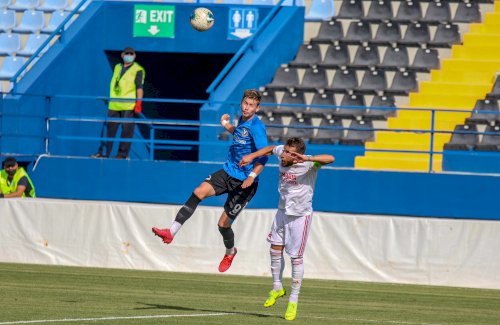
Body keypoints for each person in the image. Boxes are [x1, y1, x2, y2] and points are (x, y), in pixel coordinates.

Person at [152, 89, 268, 273]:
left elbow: (265, 154)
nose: (247, 107)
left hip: (245, 182)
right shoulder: (243, 119)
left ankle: (230, 252)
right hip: (229, 171)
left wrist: (252, 175)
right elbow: (239, 135)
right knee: (199, 191)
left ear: (257, 108)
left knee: (223, 224)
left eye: (251, 105)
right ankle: (172, 231)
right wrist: (227, 125)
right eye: (245, 103)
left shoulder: (257, 127)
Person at [239, 137, 334, 321]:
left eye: (288, 153)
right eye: (284, 151)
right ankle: (277, 288)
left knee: (296, 258)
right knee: (274, 249)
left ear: (296, 154)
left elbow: (331, 158)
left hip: (300, 216)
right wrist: (251, 156)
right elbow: (270, 149)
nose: (283, 155)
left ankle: (293, 300)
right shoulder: (282, 152)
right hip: (282, 212)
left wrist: (307, 159)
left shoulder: (308, 164)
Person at [92, 47, 145, 159]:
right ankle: (104, 153)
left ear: (134, 56)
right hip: (114, 104)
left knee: (127, 130)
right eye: (127, 53)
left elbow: (139, 88)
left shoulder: (138, 69)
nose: (129, 55)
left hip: (128, 105)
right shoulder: (117, 67)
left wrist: (139, 103)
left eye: (131, 54)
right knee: (108, 130)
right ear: (122, 55)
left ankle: (122, 154)